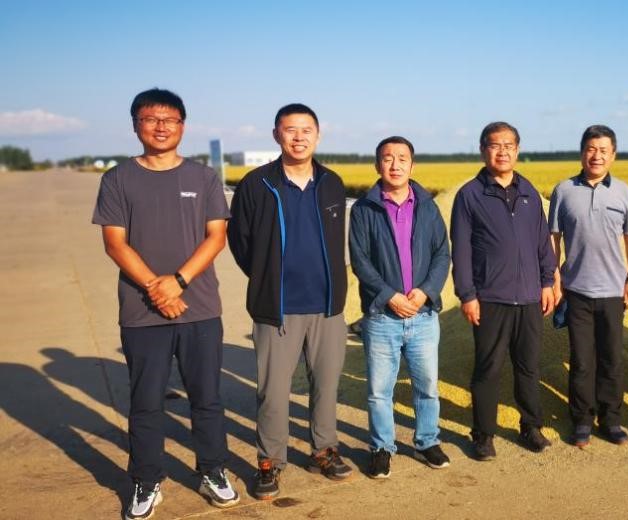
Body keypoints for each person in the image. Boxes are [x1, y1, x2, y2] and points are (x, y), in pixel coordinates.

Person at [93, 88, 239, 520]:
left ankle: (212, 470)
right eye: (151, 119)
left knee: (207, 398)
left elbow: (217, 236)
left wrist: (177, 282)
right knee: (146, 403)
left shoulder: (203, 177)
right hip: (142, 313)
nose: (161, 127)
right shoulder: (118, 179)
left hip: (200, 309)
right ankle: (146, 479)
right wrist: (156, 289)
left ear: (182, 126)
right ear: (136, 125)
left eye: (170, 119)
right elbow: (115, 243)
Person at [227, 103, 352, 498]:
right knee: (273, 392)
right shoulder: (257, 184)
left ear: (318, 134)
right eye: (290, 130)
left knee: (326, 386)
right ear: (276, 135)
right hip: (276, 307)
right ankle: (270, 462)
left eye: (306, 130)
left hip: (327, 306)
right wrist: (266, 277)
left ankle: (325, 450)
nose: (299, 137)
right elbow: (240, 241)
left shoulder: (331, 182)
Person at [450, 121, 558, 460]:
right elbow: (461, 250)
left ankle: (531, 426)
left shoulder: (528, 192)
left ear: (517, 149)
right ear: (483, 150)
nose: (502, 151)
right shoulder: (470, 195)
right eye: (495, 145)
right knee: (488, 368)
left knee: (529, 366)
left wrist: (548, 281)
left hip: (529, 297)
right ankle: (483, 434)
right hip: (490, 299)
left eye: (509, 145)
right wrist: (467, 295)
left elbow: (543, 242)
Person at [348, 136, 451, 478]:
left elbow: (442, 254)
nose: (395, 165)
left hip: (423, 314)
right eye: (388, 158)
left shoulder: (427, 206)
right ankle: (381, 447)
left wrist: (426, 291)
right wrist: (389, 295)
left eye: (402, 158)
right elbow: (360, 260)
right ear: (377, 165)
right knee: (380, 391)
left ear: (412, 164)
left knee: (427, 386)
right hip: (382, 316)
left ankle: (427, 441)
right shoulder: (364, 209)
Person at [548, 125, 628, 448]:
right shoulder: (563, 191)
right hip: (576, 290)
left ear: (613, 155)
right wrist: (554, 279)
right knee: (582, 360)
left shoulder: (624, 192)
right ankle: (582, 420)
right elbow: (553, 238)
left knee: (612, 359)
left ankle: (611, 419)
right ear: (581, 152)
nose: (596, 156)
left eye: (603, 150)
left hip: (614, 291)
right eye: (591, 149)